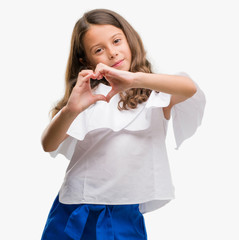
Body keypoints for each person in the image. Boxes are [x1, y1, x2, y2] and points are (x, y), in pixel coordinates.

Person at [40, 8, 205, 240]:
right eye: (99, 50)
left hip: (125, 210)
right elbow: (48, 144)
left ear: (130, 39)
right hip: (77, 206)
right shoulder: (86, 97)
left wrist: (135, 79)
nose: (112, 53)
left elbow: (189, 88)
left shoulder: (155, 95)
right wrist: (71, 109)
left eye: (117, 41)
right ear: (86, 60)